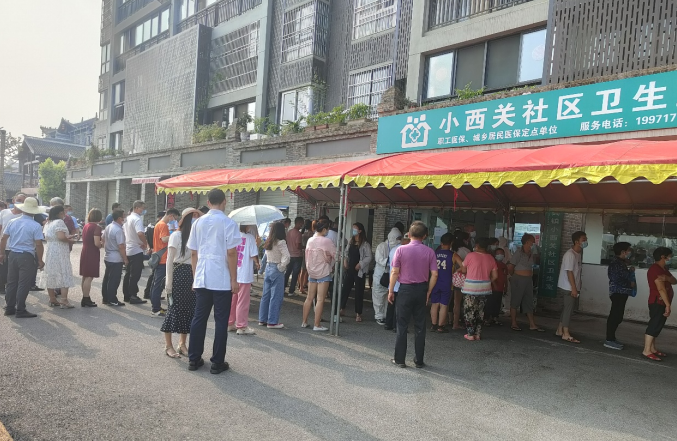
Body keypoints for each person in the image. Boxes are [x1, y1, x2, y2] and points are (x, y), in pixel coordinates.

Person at [187, 189, 241, 374]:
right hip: (221, 278)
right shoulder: (229, 223)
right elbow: (231, 252)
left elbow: (193, 253)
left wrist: (195, 277)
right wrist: (234, 279)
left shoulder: (197, 222)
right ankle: (217, 362)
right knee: (220, 320)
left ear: (208, 202)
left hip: (202, 275)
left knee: (199, 318)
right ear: (224, 202)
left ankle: (194, 358)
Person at [389, 221, 437, 368]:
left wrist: (391, 290)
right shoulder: (430, 252)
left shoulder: (400, 250)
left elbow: (394, 272)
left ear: (409, 235)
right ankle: (419, 360)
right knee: (420, 325)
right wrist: (428, 291)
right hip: (421, 289)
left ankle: (400, 359)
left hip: (405, 289)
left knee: (402, 325)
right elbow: (435, 274)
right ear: (425, 236)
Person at [161, 208, 202, 358]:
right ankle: (168, 346)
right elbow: (169, 261)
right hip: (178, 275)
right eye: (193, 216)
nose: (196, 219)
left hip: (192, 276)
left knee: (189, 311)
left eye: (198, 217)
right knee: (174, 310)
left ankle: (182, 344)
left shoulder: (196, 236)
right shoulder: (176, 236)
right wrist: (169, 283)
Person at [1, 197, 45, 318]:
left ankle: (9, 307)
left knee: (11, 282)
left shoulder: (12, 222)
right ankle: (20, 309)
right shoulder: (35, 225)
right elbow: (38, 244)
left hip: (12, 254)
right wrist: (40, 260)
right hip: (26, 255)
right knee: (23, 283)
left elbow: (3, 238)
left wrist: (2, 253)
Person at [460, 237, 498, 341]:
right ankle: (477, 334)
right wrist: (487, 280)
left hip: (470, 288)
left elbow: (463, 270)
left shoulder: (470, 255)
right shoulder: (491, 258)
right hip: (485, 288)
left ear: (477, 245)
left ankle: (470, 334)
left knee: (469, 311)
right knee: (480, 312)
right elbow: (495, 276)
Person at [40, 205, 77, 308]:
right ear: (60, 213)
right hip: (60, 250)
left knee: (51, 273)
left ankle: (52, 298)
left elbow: (48, 236)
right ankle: (64, 300)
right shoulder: (59, 222)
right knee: (64, 272)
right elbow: (61, 237)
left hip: (50, 249)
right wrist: (70, 240)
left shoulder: (48, 223)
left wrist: (66, 237)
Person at [302, 219, 335, 331]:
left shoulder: (310, 240)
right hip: (323, 272)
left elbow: (306, 255)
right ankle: (317, 324)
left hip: (312, 271)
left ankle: (304, 321)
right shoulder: (327, 241)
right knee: (320, 299)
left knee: (309, 298)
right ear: (324, 229)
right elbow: (336, 255)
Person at [643, 247, 675, 361]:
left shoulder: (664, 269)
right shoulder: (655, 269)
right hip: (657, 301)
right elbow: (661, 289)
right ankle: (646, 350)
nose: (670, 258)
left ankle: (652, 348)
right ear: (663, 257)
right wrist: (668, 305)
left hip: (662, 301)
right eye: (669, 256)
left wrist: (667, 278)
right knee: (654, 325)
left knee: (657, 325)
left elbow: (674, 281)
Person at [507, 234, 544, 332]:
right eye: (532, 242)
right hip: (518, 278)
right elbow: (510, 267)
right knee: (515, 301)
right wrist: (512, 277)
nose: (533, 243)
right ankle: (514, 323)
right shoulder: (518, 252)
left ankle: (532, 324)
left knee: (528, 301)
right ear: (527, 242)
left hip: (528, 279)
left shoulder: (531, 253)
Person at [555, 231, 587, 343]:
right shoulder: (570, 254)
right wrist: (573, 288)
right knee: (568, 310)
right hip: (568, 287)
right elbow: (569, 272)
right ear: (576, 241)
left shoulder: (577, 254)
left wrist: (578, 285)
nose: (586, 242)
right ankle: (566, 333)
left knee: (566, 309)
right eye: (583, 240)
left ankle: (560, 330)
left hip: (572, 286)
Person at [228, 225, 260, 336]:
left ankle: (230, 322)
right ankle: (241, 326)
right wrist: (257, 262)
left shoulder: (233, 236)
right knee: (243, 301)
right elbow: (253, 254)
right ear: (247, 226)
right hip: (244, 273)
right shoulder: (250, 237)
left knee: (233, 299)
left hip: (233, 272)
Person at [150, 208, 181, 317]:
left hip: (159, 257)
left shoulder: (159, 224)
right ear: (171, 215)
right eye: (175, 218)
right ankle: (156, 309)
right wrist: (175, 233)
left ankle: (155, 307)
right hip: (162, 258)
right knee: (158, 285)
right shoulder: (163, 225)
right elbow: (163, 239)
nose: (174, 220)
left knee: (156, 283)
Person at [259, 221, 290, 329]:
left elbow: (264, 258)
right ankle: (272, 322)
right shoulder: (281, 242)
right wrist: (282, 266)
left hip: (268, 268)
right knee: (276, 296)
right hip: (277, 269)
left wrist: (261, 270)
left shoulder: (269, 241)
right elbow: (287, 256)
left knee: (266, 295)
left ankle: (262, 319)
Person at [605, 242, 635, 350]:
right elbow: (616, 278)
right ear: (623, 252)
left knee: (618, 316)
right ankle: (609, 339)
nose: (630, 252)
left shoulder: (621, 262)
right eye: (629, 250)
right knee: (615, 315)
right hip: (618, 292)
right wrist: (629, 283)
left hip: (622, 292)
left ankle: (612, 338)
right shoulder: (616, 263)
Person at [341, 222, 372, 322]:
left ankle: (358, 313)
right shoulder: (351, 241)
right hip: (350, 269)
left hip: (359, 271)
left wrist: (361, 264)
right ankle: (342, 308)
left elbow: (369, 257)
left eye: (355, 228)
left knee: (359, 292)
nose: (353, 230)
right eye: (353, 228)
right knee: (345, 289)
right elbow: (346, 252)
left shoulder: (365, 244)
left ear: (360, 231)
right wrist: (345, 260)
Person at [373, 226, 402, 325]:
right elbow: (379, 259)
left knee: (387, 298)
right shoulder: (382, 246)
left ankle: (385, 316)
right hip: (380, 274)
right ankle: (379, 316)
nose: (399, 240)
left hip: (390, 276)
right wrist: (392, 263)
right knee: (378, 297)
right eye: (397, 238)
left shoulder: (398, 248)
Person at [122, 200, 149, 305]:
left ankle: (127, 295)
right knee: (135, 274)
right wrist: (145, 243)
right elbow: (140, 233)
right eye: (142, 208)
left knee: (128, 273)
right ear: (137, 208)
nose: (143, 210)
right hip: (136, 249)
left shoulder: (128, 218)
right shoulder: (137, 219)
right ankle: (133, 295)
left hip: (129, 247)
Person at [0, 193, 25, 294]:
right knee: (3, 269)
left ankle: (13, 290)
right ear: (14, 200)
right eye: (19, 200)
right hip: (4, 245)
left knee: (15, 272)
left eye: (23, 201)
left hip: (17, 248)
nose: (20, 202)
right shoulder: (4, 213)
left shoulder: (25, 216)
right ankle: (1, 287)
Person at [102, 209, 127, 306]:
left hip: (108, 255)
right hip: (116, 257)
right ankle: (112, 299)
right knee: (114, 280)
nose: (124, 218)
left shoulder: (109, 226)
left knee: (107, 278)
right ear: (119, 218)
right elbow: (121, 246)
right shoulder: (118, 230)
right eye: (123, 217)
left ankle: (106, 298)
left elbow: (103, 239)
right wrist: (125, 258)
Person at [430, 233, 454, 333]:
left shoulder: (434, 253)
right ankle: (441, 326)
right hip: (447, 282)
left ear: (441, 242)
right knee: (444, 304)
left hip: (435, 281)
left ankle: (433, 325)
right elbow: (463, 266)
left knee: (434, 303)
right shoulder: (453, 255)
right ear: (451, 243)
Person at [79, 208, 104, 307]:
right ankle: (86, 298)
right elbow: (97, 243)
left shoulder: (86, 226)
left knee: (85, 275)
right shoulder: (97, 228)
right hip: (92, 252)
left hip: (85, 250)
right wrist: (102, 244)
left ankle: (85, 296)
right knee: (89, 276)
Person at [385, 234, 409, 331]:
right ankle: (396, 325)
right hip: (401, 282)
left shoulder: (393, 249)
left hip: (392, 281)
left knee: (391, 304)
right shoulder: (405, 251)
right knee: (400, 306)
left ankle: (388, 324)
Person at [485, 247, 508, 326]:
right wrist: (494, 285)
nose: (500, 255)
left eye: (501, 253)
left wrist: (506, 287)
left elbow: (505, 277)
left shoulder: (504, 266)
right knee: (490, 303)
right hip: (493, 288)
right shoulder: (493, 264)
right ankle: (487, 318)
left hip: (500, 288)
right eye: (498, 254)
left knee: (498, 303)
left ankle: (495, 317)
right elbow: (491, 276)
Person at [450, 236, 468, 329]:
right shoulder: (466, 251)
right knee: (464, 302)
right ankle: (461, 322)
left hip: (454, 279)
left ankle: (452, 321)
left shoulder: (453, 252)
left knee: (455, 302)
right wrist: (459, 270)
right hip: (464, 279)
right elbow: (464, 267)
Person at [284, 217, 304, 296]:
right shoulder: (298, 234)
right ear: (299, 223)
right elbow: (298, 246)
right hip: (297, 256)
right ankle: (291, 291)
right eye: (302, 223)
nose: (302, 225)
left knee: (287, 273)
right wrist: (305, 247)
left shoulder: (289, 232)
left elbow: (286, 242)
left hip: (289, 255)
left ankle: (282, 288)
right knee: (295, 274)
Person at [298, 219, 313, 295]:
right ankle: (304, 284)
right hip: (309, 253)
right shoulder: (312, 234)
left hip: (302, 253)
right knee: (307, 271)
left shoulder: (301, 233)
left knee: (302, 271)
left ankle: (301, 286)